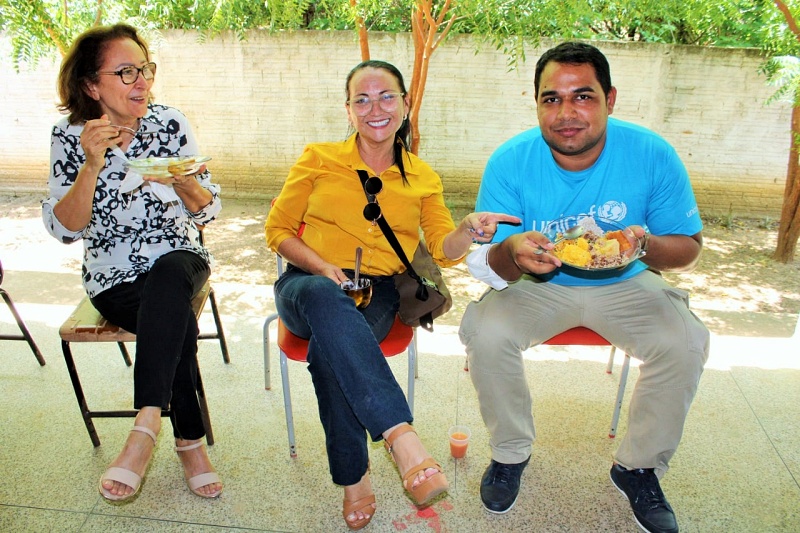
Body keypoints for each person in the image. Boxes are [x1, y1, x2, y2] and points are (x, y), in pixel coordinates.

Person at [458, 42, 710, 533]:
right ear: (536, 104)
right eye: (551, 99)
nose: (566, 113)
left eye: (583, 96)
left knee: (686, 340)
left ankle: (638, 468)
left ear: (609, 99)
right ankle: (509, 454)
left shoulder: (651, 153)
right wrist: (512, 252)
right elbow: (491, 263)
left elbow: (688, 248)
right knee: (486, 333)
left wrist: (643, 245)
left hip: (626, 280)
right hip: (538, 284)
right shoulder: (511, 161)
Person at [266, 59, 518, 530]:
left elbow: (442, 250)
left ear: (405, 104)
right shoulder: (318, 158)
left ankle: (354, 478)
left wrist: (467, 229)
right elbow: (276, 230)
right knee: (323, 298)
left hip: (376, 292)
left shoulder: (422, 177)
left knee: (329, 351)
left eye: (386, 97)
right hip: (306, 284)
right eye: (361, 99)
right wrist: (322, 268)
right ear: (348, 110)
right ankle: (402, 437)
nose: (375, 108)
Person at [42, 24, 223, 502]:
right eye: (126, 72)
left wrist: (183, 182)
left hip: (180, 255)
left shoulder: (170, 123)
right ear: (91, 85)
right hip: (113, 275)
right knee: (173, 318)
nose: (142, 81)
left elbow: (208, 211)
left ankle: (145, 426)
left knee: (169, 277)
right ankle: (188, 442)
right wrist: (91, 164)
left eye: (145, 69)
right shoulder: (69, 137)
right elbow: (66, 230)